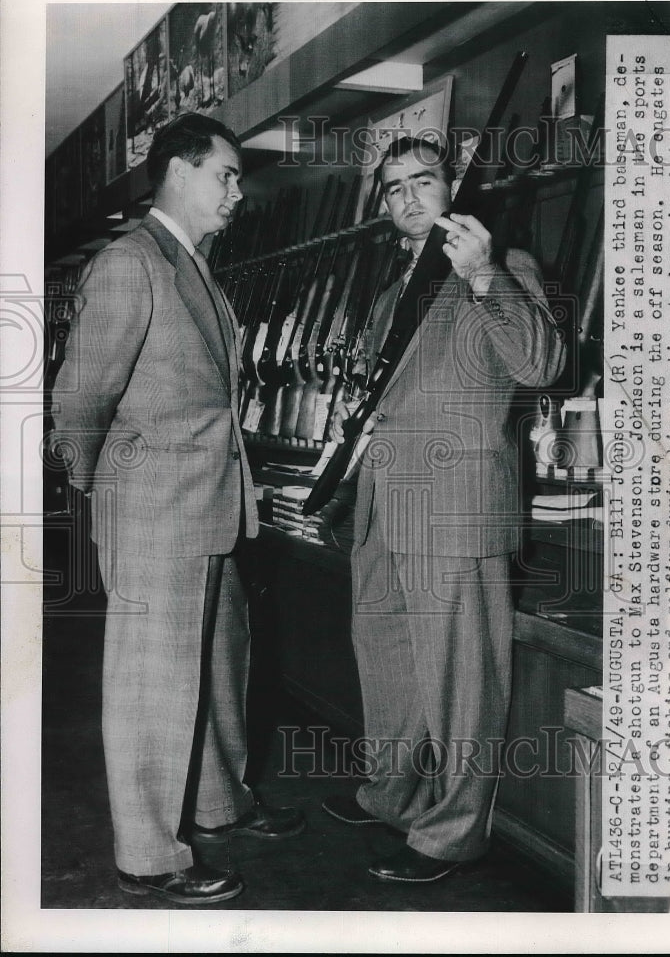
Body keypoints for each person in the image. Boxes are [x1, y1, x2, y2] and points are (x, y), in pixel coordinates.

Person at [52, 113, 304, 906]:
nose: (238, 190)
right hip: (157, 511)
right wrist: (102, 496)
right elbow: (79, 397)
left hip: (211, 510)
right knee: (152, 685)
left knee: (221, 668)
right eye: (226, 174)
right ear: (179, 173)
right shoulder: (133, 264)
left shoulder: (192, 266)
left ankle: (217, 806)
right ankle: (148, 854)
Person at [322, 136, 566, 882]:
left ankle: (452, 832)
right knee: (387, 664)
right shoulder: (395, 283)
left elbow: (541, 364)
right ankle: (391, 794)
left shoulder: (503, 267)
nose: (405, 197)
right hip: (383, 501)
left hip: (454, 507)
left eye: (421, 180)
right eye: (391, 187)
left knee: (462, 681)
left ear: (451, 186)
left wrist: (482, 273)